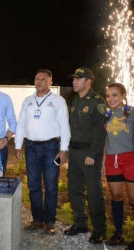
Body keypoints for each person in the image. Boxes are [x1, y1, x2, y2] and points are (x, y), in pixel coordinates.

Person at [15, 69, 70, 234]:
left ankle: (49, 221)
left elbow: (64, 126)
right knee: (33, 185)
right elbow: (21, 124)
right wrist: (18, 145)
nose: (39, 82)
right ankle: (37, 219)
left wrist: (64, 149)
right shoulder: (28, 100)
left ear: (50, 82)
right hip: (31, 148)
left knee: (51, 185)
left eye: (43, 79)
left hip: (51, 149)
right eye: (37, 78)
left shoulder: (58, 101)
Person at [64, 67, 107, 244]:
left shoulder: (97, 102)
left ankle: (99, 229)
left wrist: (92, 154)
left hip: (89, 154)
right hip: (74, 152)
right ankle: (80, 223)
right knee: (74, 190)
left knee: (94, 192)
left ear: (88, 82)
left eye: (78, 79)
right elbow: (72, 128)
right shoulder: (75, 101)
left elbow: (100, 132)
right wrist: (66, 149)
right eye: (74, 78)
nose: (74, 81)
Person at [102, 83, 134, 249]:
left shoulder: (131, 112)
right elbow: (105, 140)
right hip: (111, 160)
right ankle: (119, 233)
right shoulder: (106, 115)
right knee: (116, 196)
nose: (111, 99)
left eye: (115, 95)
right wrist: (102, 160)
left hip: (130, 159)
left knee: (133, 198)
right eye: (108, 96)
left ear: (123, 95)